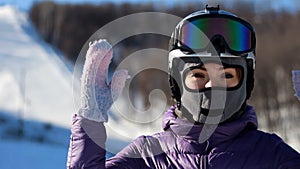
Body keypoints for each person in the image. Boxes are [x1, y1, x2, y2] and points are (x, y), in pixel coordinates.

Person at [67, 6, 300, 169]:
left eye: (227, 75)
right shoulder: (147, 156)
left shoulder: (272, 155)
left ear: (246, 83)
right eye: (198, 74)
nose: (212, 86)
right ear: (177, 83)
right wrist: (90, 119)